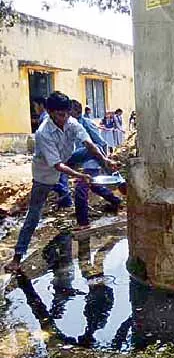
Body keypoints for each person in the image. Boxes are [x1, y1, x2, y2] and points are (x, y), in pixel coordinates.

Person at [4, 91, 118, 274]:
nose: (64, 118)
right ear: (50, 112)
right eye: (60, 115)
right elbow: (56, 165)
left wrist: (106, 161)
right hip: (46, 173)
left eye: (66, 114)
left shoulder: (71, 122)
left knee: (93, 154)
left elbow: (89, 144)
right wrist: (80, 176)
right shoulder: (43, 133)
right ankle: (17, 257)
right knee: (34, 214)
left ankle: (116, 178)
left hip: (68, 159)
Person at [69, 100, 122, 230]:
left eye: (69, 111)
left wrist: (105, 161)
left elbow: (101, 143)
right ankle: (116, 201)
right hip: (85, 159)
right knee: (94, 186)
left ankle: (83, 223)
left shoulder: (86, 123)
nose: (67, 114)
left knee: (81, 190)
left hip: (93, 159)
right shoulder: (72, 124)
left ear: (76, 111)